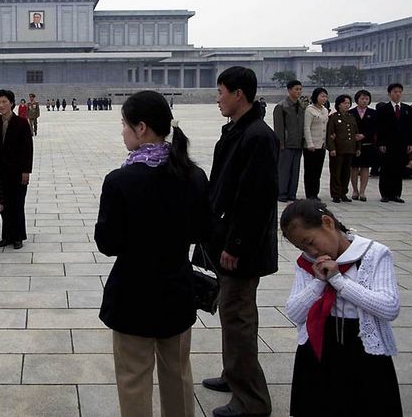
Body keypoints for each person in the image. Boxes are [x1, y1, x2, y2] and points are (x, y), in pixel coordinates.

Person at [95, 90, 208, 417]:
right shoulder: (193, 174)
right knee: (177, 372)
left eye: (125, 124)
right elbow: (203, 232)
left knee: (133, 377)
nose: (123, 131)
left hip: (133, 292)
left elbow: (107, 243)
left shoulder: (120, 181)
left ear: (141, 127)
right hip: (176, 288)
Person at [201, 66, 277, 417]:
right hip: (228, 239)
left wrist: (236, 246)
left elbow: (257, 201)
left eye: (221, 92)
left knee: (240, 318)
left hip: (241, 247)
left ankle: (252, 400)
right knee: (232, 314)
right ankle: (234, 375)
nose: (217, 98)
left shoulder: (258, 136)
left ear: (238, 94)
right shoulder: (238, 131)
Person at [281, 200, 402, 416]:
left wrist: (339, 282)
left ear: (327, 223)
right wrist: (318, 283)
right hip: (318, 347)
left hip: (361, 350)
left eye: (310, 241)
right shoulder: (307, 264)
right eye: (302, 247)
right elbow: (294, 312)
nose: (311, 251)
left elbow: (389, 307)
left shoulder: (373, 254)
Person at [0, 89, 33, 250]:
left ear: (11, 103)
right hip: (0, 171)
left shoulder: (21, 123)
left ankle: (18, 236)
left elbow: (28, 149)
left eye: (4, 102)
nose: (1, 105)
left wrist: (26, 171)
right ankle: (7, 236)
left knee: (17, 204)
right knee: (4, 205)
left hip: (17, 172)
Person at [375, 83, 412, 203]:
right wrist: (381, 143)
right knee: (386, 169)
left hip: (401, 144)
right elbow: (379, 128)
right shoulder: (383, 109)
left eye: (399, 92)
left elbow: (410, 128)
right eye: (395, 92)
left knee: (398, 169)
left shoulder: (407, 109)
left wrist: (410, 143)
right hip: (387, 144)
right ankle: (385, 194)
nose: (397, 94)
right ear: (389, 93)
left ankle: (396, 193)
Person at [273, 80, 305, 202]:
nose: (298, 92)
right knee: (284, 170)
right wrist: (280, 143)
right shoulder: (281, 107)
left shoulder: (301, 106)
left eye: (300, 89)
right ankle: (282, 193)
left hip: (298, 143)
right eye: (296, 89)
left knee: (295, 170)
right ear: (289, 90)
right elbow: (279, 128)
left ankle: (292, 194)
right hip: (286, 144)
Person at [326, 94, 360, 203]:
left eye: (348, 103)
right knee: (336, 172)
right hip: (338, 149)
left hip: (349, 148)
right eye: (344, 103)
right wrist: (331, 148)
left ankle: (343, 193)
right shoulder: (334, 117)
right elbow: (330, 134)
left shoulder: (351, 117)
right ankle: (335, 193)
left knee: (346, 173)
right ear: (338, 105)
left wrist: (358, 147)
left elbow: (356, 133)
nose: (347, 105)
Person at [349, 90, 377, 201]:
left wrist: (364, 135)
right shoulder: (351, 113)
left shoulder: (373, 113)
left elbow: (375, 128)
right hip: (354, 145)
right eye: (362, 98)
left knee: (365, 168)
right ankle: (355, 190)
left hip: (367, 144)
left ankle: (362, 191)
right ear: (357, 100)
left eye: (366, 99)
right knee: (354, 168)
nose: (364, 101)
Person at [303, 88, 329, 200]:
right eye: (322, 96)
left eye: (325, 96)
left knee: (318, 171)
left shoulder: (325, 110)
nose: (324, 98)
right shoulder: (309, 110)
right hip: (311, 146)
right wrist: (309, 143)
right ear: (316, 97)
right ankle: (310, 194)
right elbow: (306, 127)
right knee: (310, 171)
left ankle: (315, 193)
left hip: (321, 145)